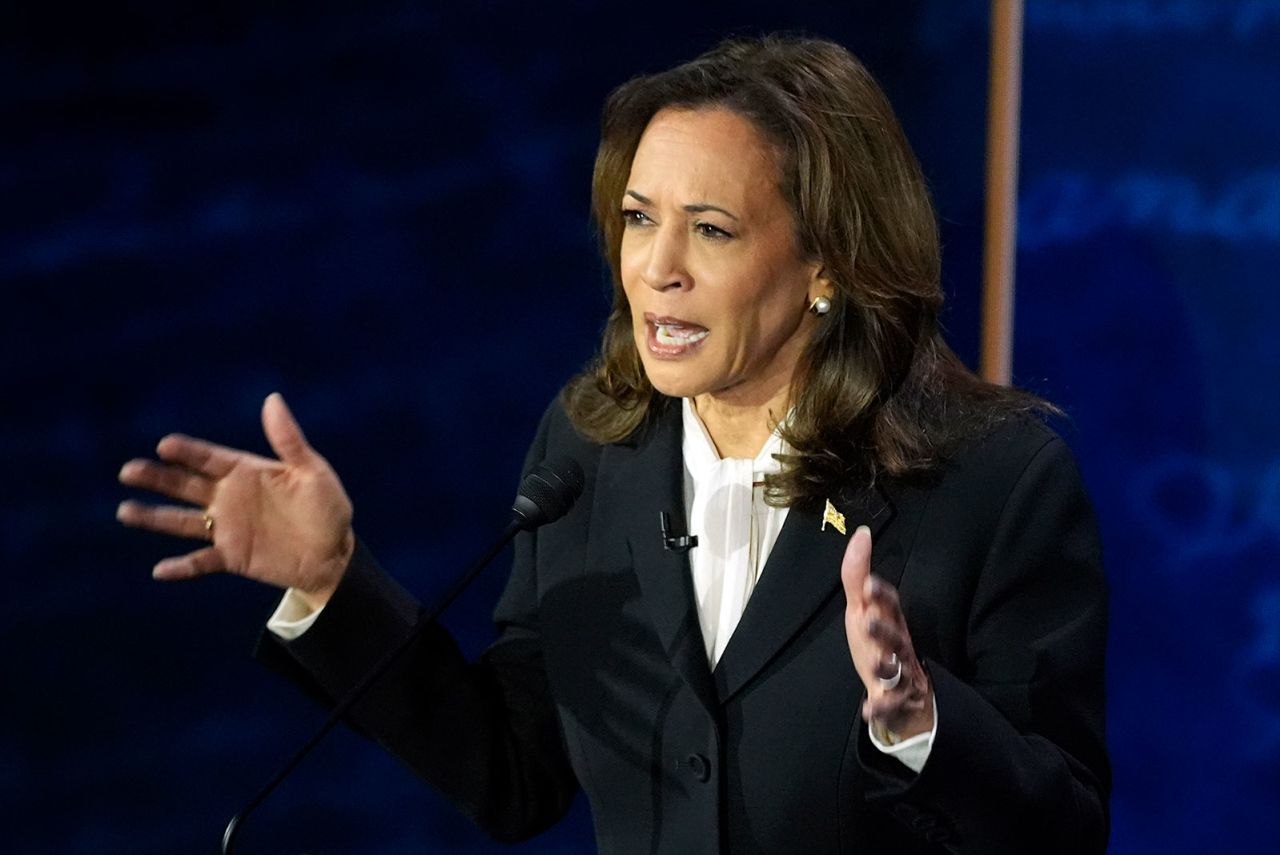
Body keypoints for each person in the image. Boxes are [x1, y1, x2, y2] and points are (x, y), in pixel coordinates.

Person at [118, 34, 1109, 854]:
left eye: (710, 230)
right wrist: (334, 583)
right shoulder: (590, 452)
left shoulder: (991, 483)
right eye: (639, 220)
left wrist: (920, 725)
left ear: (825, 261)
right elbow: (516, 773)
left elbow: (1063, 832)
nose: (656, 269)